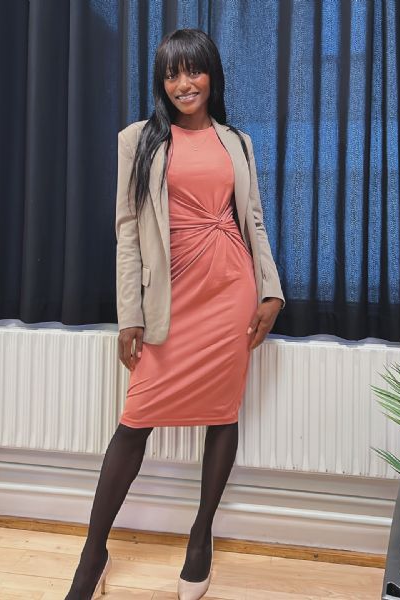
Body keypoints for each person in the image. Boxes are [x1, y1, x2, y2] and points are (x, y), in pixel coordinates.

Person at [65, 27, 285, 600]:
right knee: (135, 421)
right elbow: (127, 231)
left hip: (231, 290)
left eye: (193, 71)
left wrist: (271, 291)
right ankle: (92, 555)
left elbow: (252, 221)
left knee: (223, 414)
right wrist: (129, 315)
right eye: (171, 75)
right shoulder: (137, 140)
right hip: (168, 297)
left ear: (212, 75)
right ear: (161, 83)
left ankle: (201, 537)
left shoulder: (237, 142)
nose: (184, 84)